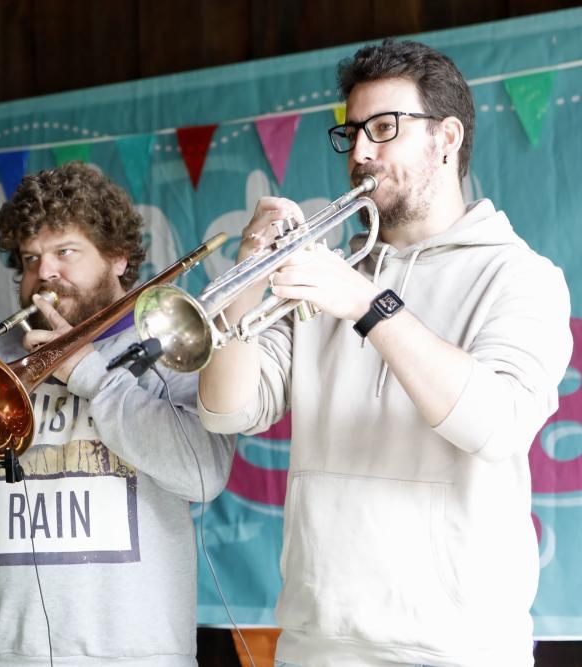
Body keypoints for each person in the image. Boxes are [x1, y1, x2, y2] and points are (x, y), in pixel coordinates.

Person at [197, 39, 573, 667]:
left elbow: (497, 423)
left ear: (446, 137)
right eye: (353, 134)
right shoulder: (331, 269)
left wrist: (370, 306)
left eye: (385, 129)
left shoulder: (522, 276)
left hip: (460, 649)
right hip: (316, 643)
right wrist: (246, 279)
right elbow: (226, 411)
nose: (362, 152)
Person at [0, 162, 236, 666]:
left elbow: (204, 475)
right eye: (30, 258)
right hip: (2, 655)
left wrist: (90, 375)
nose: (43, 273)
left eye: (65, 252)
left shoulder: (173, 342)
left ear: (118, 258)